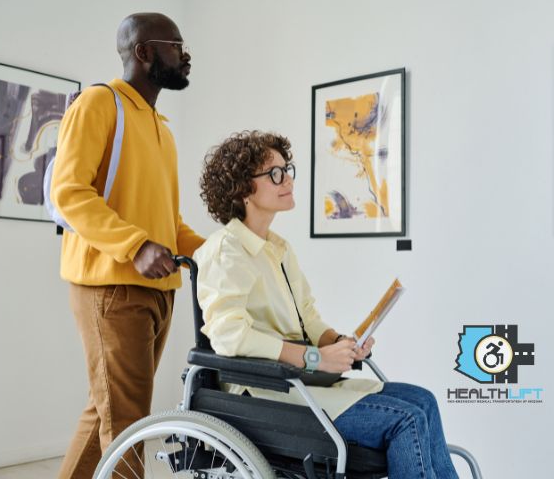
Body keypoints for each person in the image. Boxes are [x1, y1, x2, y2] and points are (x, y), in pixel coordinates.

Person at [194, 131, 459, 479]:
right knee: (406, 418)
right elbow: (229, 336)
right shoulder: (225, 249)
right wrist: (313, 357)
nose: (287, 179)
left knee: (424, 401)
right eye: (275, 174)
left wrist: (337, 343)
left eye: (287, 169)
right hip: (265, 394)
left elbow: (308, 318)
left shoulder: (279, 248)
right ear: (243, 188)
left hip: (304, 383)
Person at [51, 12, 204, 479]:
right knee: (128, 427)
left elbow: (168, 220)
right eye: (175, 45)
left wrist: (215, 253)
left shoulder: (161, 127)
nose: (186, 54)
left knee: (108, 413)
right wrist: (137, 246)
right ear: (143, 52)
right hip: (112, 286)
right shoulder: (99, 104)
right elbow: (70, 191)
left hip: (159, 290)